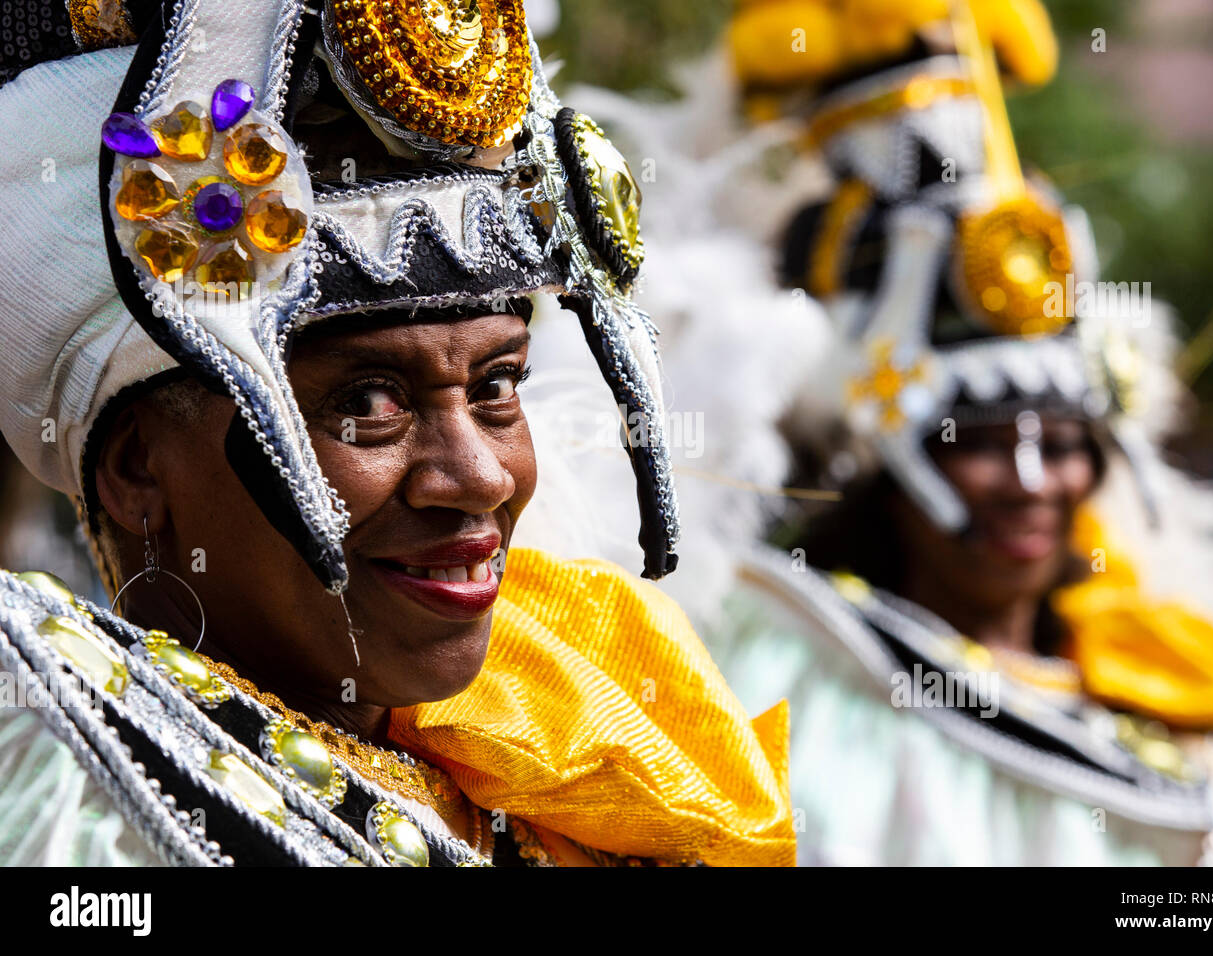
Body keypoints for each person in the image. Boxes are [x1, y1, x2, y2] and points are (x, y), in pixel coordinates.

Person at [0, 0, 793, 866]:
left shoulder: (573, 784)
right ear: (136, 469)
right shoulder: (60, 781)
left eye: (496, 386)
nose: (481, 476)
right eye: (369, 403)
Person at [693, 0, 1213, 864]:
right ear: (893, 466)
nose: (1030, 481)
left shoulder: (1187, 689)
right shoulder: (797, 675)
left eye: (1058, 445)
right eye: (975, 442)